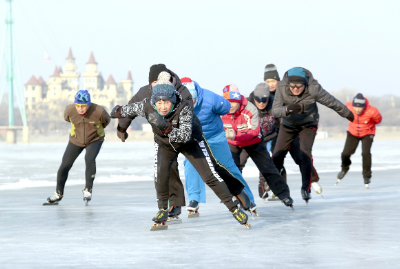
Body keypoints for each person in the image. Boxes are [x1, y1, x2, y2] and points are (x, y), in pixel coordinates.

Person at [111, 72, 251, 229]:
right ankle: (162, 209)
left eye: (167, 102)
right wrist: (115, 112)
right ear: (154, 99)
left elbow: (183, 136)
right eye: (159, 102)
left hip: (192, 142)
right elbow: (129, 109)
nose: (163, 107)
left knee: (210, 175)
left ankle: (234, 208)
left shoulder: (183, 107)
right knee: (160, 175)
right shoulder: (147, 105)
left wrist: (165, 127)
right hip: (165, 144)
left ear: (173, 98)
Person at [117, 64, 191, 219]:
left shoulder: (182, 90)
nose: (159, 87)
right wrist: (121, 128)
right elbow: (129, 108)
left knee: (202, 166)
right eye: (154, 84)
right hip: (162, 135)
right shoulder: (145, 92)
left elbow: (188, 110)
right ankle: (174, 204)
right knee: (168, 166)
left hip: (184, 133)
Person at [271, 67, 354, 203]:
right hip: (288, 125)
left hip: (308, 124)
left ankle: (306, 188)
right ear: (288, 84)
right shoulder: (282, 86)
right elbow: (275, 111)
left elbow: (331, 102)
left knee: (305, 154)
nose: (296, 89)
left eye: (300, 86)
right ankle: (275, 186)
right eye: (293, 86)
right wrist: (287, 109)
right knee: (278, 154)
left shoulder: (314, 88)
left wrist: (347, 114)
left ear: (305, 83)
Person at [180, 77, 257, 216]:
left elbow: (226, 107)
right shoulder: (176, 102)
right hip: (194, 139)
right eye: (186, 100)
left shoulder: (210, 98)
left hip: (214, 136)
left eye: (192, 99)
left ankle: (249, 199)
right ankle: (194, 199)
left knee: (228, 166)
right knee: (190, 165)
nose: (190, 103)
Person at [221, 84, 294, 208]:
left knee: (267, 168)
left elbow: (254, 131)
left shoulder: (250, 109)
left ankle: (284, 195)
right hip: (233, 142)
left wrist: (233, 134)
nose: (232, 105)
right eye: (229, 102)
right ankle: (235, 195)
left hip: (253, 141)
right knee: (232, 168)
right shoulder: (220, 109)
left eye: (235, 102)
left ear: (240, 100)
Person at [264, 64, 322, 197]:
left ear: (279, 80)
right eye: (267, 82)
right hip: (274, 132)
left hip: (291, 128)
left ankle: (312, 181)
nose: (271, 84)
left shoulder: (287, 89)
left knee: (300, 156)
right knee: (277, 156)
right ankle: (277, 187)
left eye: (273, 81)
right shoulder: (263, 95)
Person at [45, 90, 110, 205]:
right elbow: (67, 118)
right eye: (78, 106)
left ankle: (88, 190)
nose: (80, 108)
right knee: (65, 165)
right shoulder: (69, 110)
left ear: (89, 105)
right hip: (76, 139)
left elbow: (106, 121)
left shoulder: (99, 111)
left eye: (83, 106)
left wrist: (95, 131)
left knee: (89, 158)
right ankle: (58, 193)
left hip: (95, 139)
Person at [336, 93, 382, 187]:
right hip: (353, 132)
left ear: (364, 107)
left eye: (359, 107)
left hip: (367, 133)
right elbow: (341, 111)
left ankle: (366, 176)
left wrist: (369, 123)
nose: (357, 109)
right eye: (355, 107)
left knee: (365, 153)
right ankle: (344, 168)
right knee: (345, 153)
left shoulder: (372, 111)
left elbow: (378, 120)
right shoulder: (348, 106)